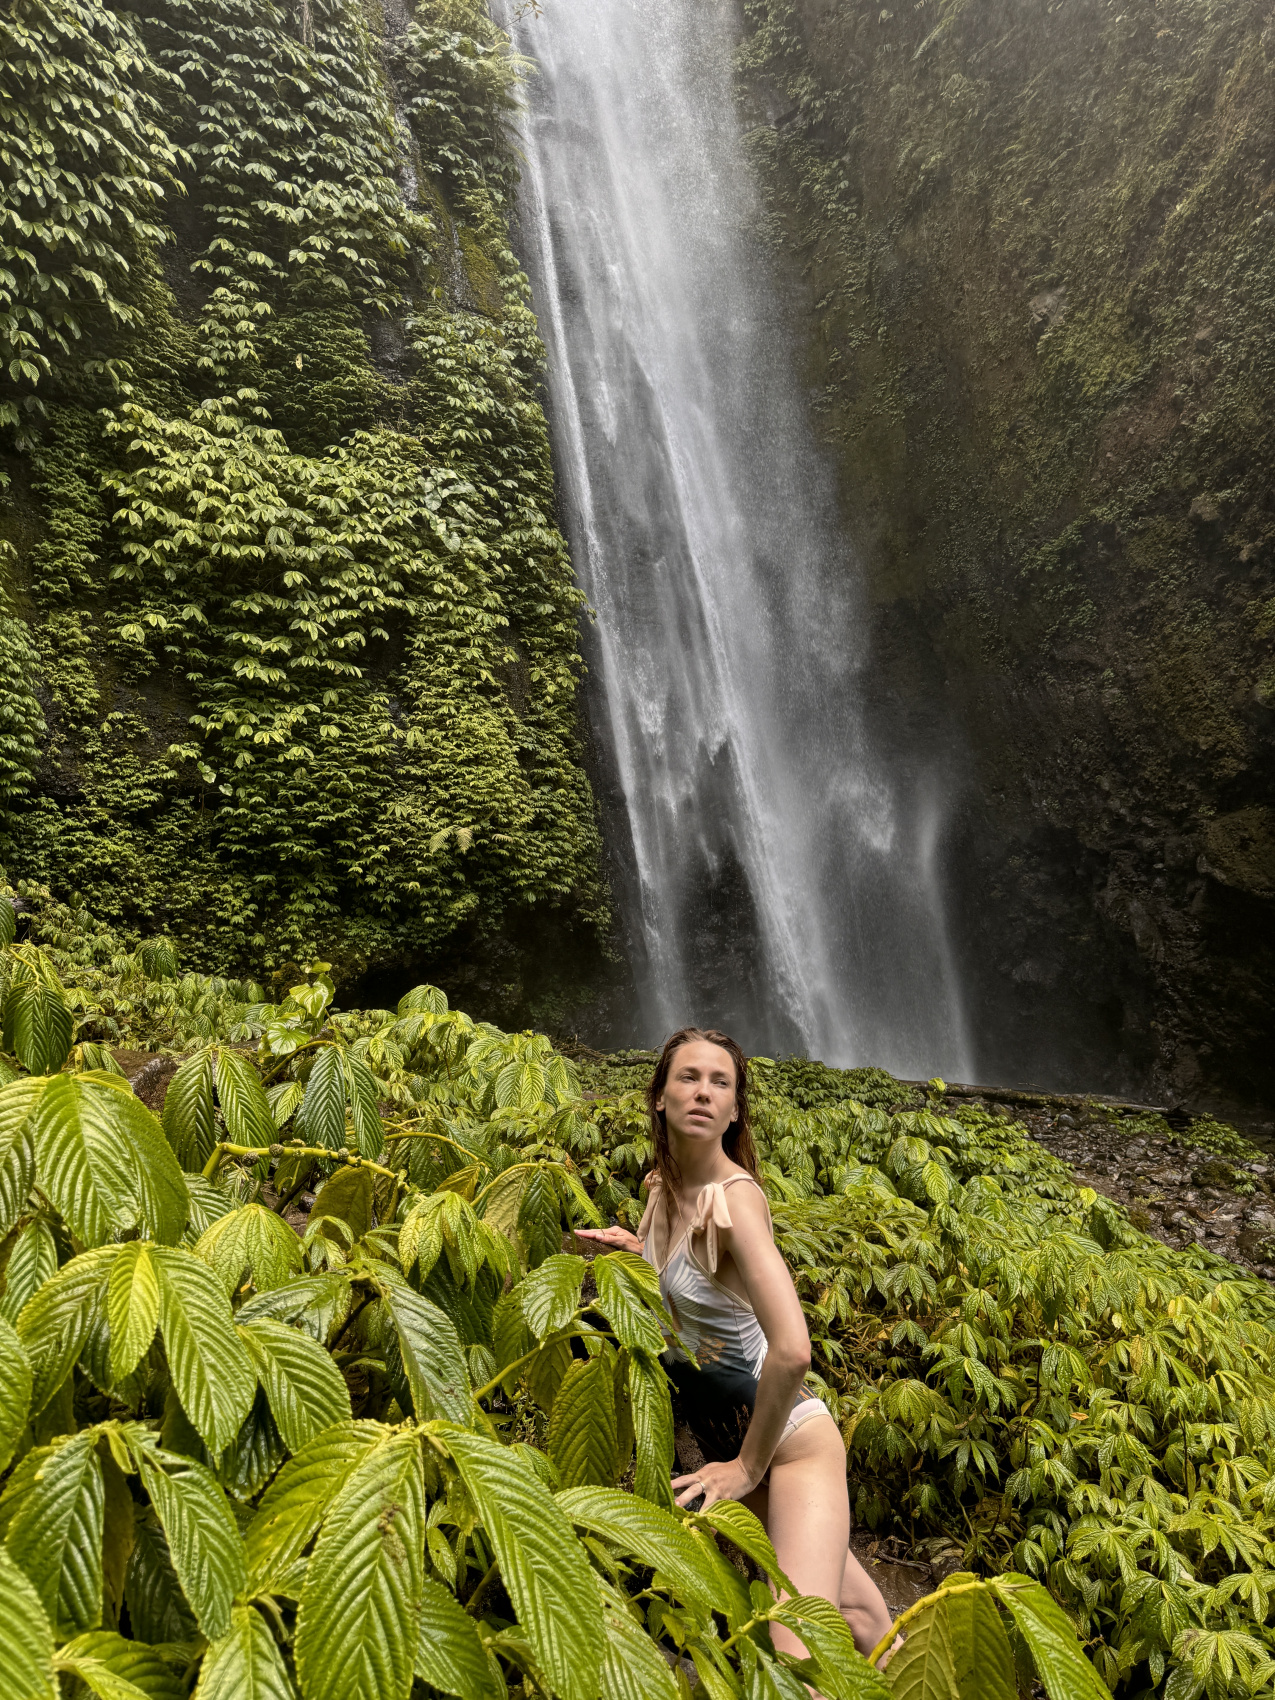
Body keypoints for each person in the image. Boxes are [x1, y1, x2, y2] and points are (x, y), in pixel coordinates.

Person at [576, 1026, 896, 1667]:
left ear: (734, 1110)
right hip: (731, 1437)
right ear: (660, 1096)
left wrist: (748, 1468)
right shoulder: (663, 1189)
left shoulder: (735, 1203)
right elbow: (685, 1285)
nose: (703, 1092)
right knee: (859, 1616)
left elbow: (793, 1349)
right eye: (688, 1077)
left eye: (720, 1083)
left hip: (787, 1446)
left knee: (793, 1652)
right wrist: (635, 1250)